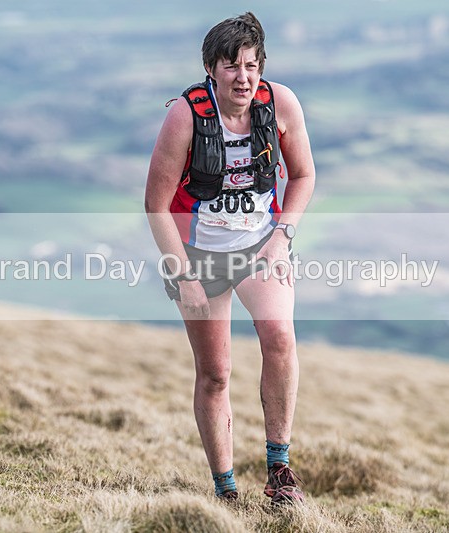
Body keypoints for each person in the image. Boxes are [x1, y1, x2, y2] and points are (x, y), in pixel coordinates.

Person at [145, 13, 315, 504]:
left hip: (261, 244)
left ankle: (280, 470)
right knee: (216, 373)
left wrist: (282, 236)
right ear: (210, 68)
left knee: (280, 336)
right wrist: (183, 274)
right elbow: (155, 205)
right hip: (197, 253)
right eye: (232, 66)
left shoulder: (280, 104)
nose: (243, 77)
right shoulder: (185, 116)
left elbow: (303, 175)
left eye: (252, 66)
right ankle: (225, 492)